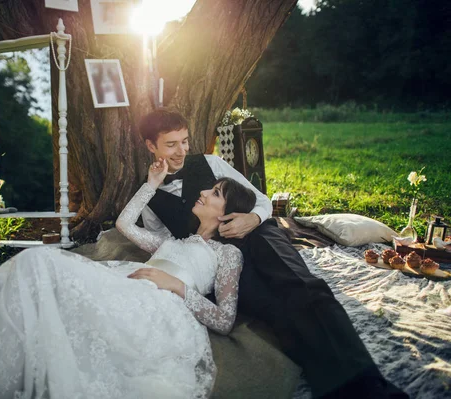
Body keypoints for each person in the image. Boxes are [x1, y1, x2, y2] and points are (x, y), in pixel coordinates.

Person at [0, 167, 257, 399]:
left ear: (228, 213)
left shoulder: (227, 255)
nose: (204, 192)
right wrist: (151, 182)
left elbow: (224, 318)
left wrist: (176, 286)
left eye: (216, 193)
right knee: (35, 266)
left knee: (37, 261)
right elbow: (124, 224)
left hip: (159, 310)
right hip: (126, 286)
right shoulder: (173, 240)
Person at [139, 108, 408, 399]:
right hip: (218, 259)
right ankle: (337, 389)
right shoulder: (149, 196)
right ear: (151, 146)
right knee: (271, 309)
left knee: (302, 289)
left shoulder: (212, 163)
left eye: (185, 141)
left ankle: (370, 387)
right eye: (171, 144)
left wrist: (251, 219)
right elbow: (164, 242)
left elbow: (262, 200)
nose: (181, 151)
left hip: (258, 235)